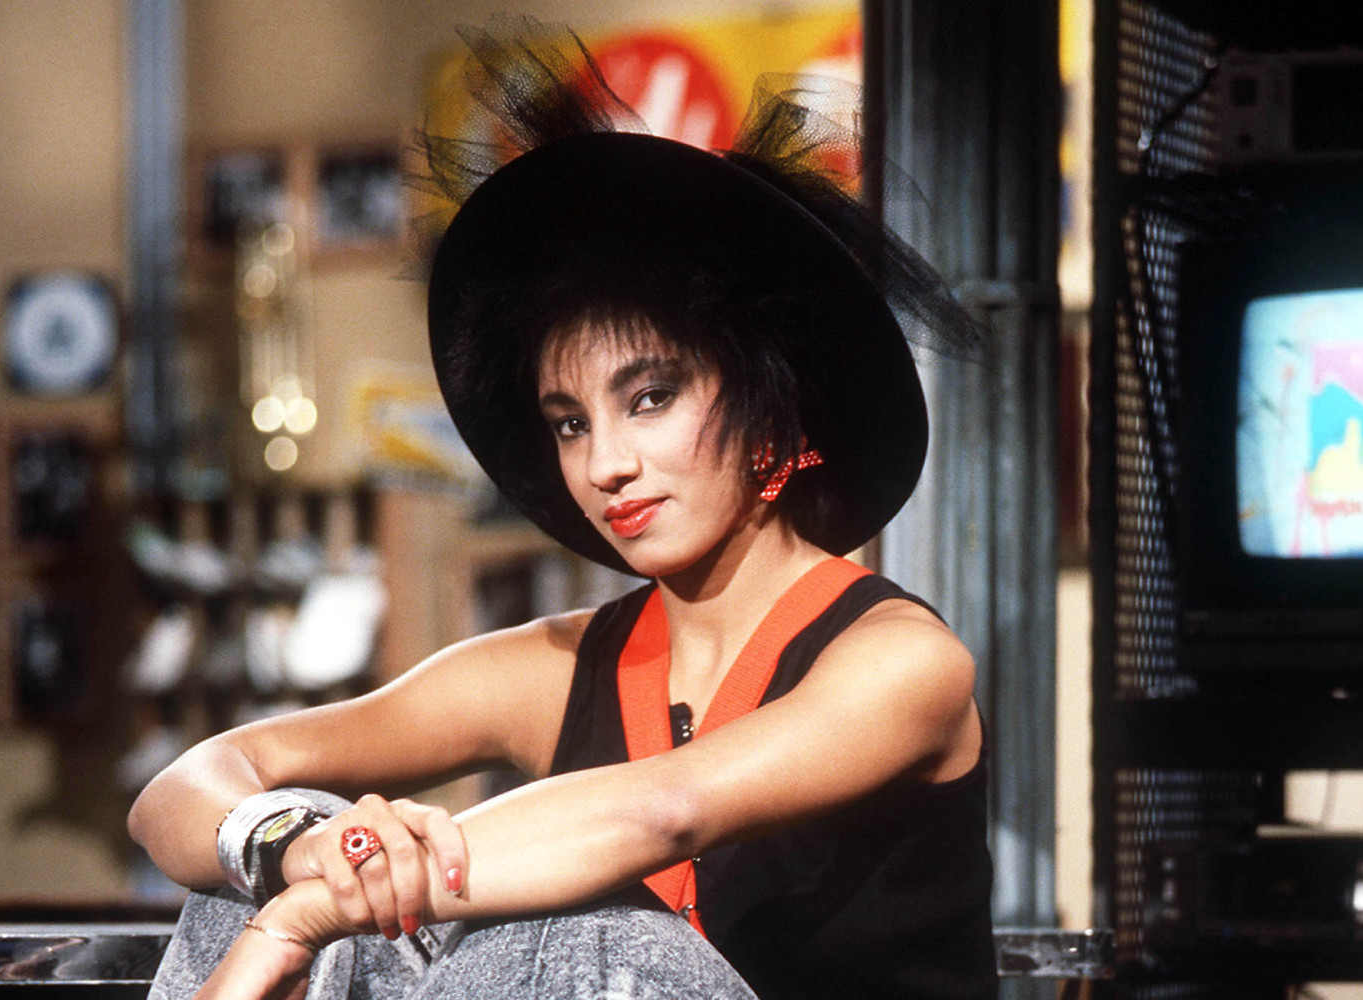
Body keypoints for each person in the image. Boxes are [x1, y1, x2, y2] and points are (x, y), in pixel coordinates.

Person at [129, 19, 992, 1000]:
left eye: (650, 397)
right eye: (569, 422)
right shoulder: (551, 669)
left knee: (585, 937)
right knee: (237, 882)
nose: (605, 464)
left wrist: (324, 901)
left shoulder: (901, 662)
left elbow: (656, 811)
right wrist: (289, 853)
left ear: (769, 404)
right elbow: (189, 784)